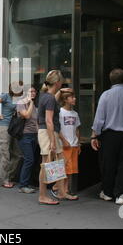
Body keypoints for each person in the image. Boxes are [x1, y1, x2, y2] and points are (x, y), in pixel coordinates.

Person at [91, 68, 123, 205]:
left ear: (111, 81)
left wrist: (94, 135)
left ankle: (107, 192)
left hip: (109, 135)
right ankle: (121, 195)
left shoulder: (105, 95)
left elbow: (99, 118)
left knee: (108, 164)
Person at [37, 70, 78, 205]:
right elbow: (49, 121)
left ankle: (61, 192)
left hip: (47, 132)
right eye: (61, 82)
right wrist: (53, 141)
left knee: (58, 163)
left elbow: (52, 100)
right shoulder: (48, 98)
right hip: (48, 133)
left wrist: (61, 91)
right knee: (46, 164)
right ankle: (43, 195)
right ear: (57, 82)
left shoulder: (45, 96)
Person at [0, 82, 23, 189]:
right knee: (5, 154)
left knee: (18, 154)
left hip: (15, 128)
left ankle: (9, 175)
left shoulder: (19, 98)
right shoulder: (5, 95)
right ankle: (5, 180)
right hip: (4, 127)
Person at [58, 89, 81, 197]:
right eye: (72, 97)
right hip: (64, 145)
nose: (74, 99)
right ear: (66, 99)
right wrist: (63, 140)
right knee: (64, 168)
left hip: (74, 145)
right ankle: (60, 189)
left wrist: (79, 143)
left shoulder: (75, 114)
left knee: (71, 169)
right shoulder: (60, 112)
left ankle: (65, 189)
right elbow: (57, 129)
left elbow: (77, 129)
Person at [16, 86, 39, 194]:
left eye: (34, 91)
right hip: (25, 135)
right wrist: (30, 103)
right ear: (26, 93)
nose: (33, 93)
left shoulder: (34, 105)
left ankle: (26, 183)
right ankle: (23, 185)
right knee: (29, 159)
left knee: (31, 160)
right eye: (31, 91)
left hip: (34, 135)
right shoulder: (21, 103)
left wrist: (39, 135)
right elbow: (27, 115)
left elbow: (36, 122)